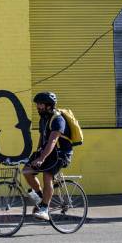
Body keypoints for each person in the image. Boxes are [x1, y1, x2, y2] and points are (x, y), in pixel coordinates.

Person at [23, 91, 73, 221]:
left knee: (47, 175)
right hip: (48, 152)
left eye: (40, 104)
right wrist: (37, 153)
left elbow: (52, 141)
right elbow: (43, 137)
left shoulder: (58, 120)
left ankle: (45, 208)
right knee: (27, 171)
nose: (38, 107)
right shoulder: (43, 118)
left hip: (61, 153)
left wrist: (41, 159)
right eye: (37, 104)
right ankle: (41, 197)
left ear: (49, 105)